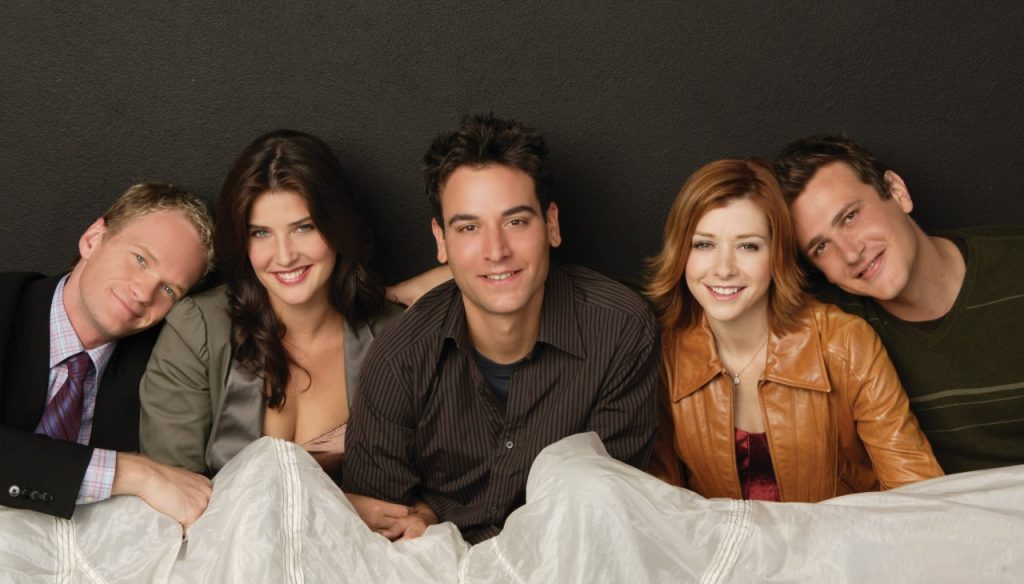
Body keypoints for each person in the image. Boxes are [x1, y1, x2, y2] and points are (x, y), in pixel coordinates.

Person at [342, 113, 660, 543]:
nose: (496, 250)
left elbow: (606, 513)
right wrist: (421, 525)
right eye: (469, 227)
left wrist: (435, 514)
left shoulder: (620, 330)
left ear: (551, 224)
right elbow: (384, 529)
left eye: (515, 221)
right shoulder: (398, 356)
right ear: (441, 240)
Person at [646, 158, 943, 501]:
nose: (724, 269)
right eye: (704, 244)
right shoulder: (663, 355)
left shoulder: (844, 343)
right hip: (718, 539)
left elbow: (917, 494)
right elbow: (658, 505)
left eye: (748, 245)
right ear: (681, 251)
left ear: (778, 254)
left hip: (845, 535)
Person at [139, 130, 411, 493]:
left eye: (304, 227)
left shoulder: (395, 336)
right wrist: (348, 507)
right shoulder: (198, 330)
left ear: (337, 226)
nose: (284, 256)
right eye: (261, 233)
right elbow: (171, 494)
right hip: (216, 534)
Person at [774, 136, 1024, 473]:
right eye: (821, 247)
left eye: (850, 216)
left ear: (896, 192)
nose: (850, 253)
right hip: (934, 503)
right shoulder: (831, 328)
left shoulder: (1015, 265)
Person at [0, 182, 215, 526]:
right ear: (93, 239)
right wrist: (133, 473)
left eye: (169, 289)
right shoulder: (8, 302)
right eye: (141, 259)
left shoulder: (163, 359)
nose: (144, 293)